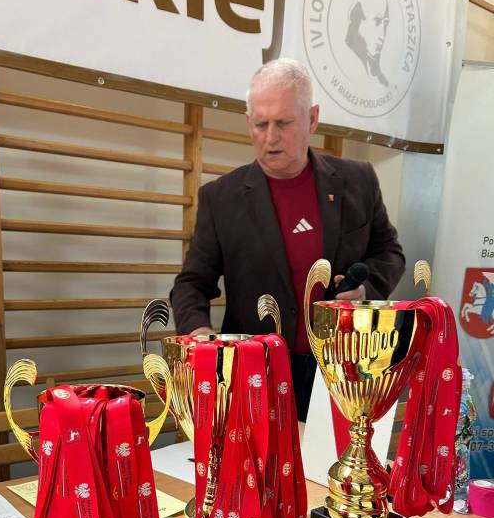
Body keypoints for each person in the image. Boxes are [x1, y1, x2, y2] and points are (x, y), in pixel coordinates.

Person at [170, 58, 405, 420]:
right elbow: (191, 284)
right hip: (254, 374)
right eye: (260, 124)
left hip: (343, 371)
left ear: (312, 118)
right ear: (248, 122)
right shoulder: (221, 198)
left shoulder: (359, 181)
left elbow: (389, 253)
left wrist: (365, 290)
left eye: (283, 123)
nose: (270, 137)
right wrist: (199, 336)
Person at [345, 0, 390, 87]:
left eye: (385, 24)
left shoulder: (374, 66)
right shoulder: (347, 61)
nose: (382, 36)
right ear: (356, 16)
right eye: (377, 21)